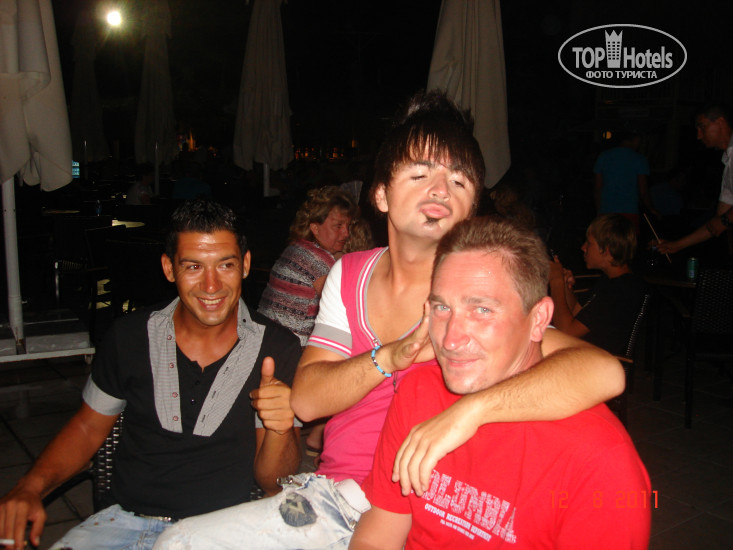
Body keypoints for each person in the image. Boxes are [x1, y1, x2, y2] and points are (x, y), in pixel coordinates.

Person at [153, 90, 623, 550]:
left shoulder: (481, 295)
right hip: (340, 497)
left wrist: (470, 412)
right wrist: (391, 357)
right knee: (179, 543)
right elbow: (309, 401)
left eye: (459, 182)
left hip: (439, 505)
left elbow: (603, 371)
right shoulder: (349, 275)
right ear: (380, 194)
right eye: (420, 174)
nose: (440, 189)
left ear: (471, 211)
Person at [0, 199, 302, 550]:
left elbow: (273, 484)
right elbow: (86, 428)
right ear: (169, 268)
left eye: (225, 265)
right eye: (193, 266)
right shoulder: (128, 336)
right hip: (123, 522)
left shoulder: (277, 348)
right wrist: (30, 486)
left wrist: (280, 427)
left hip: (221, 529)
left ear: (245, 265)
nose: (211, 285)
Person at [351, 216, 651, 549]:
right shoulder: (420, 391)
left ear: (538, 319)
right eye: (441, 307)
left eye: (481, 310)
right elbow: (378, 533)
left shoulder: (601, 462)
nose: (450, 340)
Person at [258, 185, 361, 346]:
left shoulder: (296, 249)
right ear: (315, 228)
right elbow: (348, 310)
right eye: (338, 226)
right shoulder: (317, 260)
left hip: (265, 339)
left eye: (348, 226)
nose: (346, 233)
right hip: (290, 349)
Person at [549, 214, 647, 356]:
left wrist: (556, 282)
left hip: (593, 360)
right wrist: (564, 285)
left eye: (589, 243)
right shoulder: (610, 280)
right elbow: (576, 313)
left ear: (606, 251)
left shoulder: (622, 289)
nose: (583, 247)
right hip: (583, 352)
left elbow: (566, 331)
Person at [657, 105, 733, 255]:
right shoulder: (728, 161)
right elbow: (716, 223)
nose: (699, 135)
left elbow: (723, 220)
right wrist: (677, 245)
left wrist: (725, 220)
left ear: (720, 122)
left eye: (702, 127)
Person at [593, 130, 656, 230]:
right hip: (629, 210)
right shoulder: (639, 159)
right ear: (636, 139)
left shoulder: (603, 156)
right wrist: (651, 208)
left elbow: (598, 188)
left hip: (606, 210)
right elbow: (643, 190)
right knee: (627, 238)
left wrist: (598, 211)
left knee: (606, 238)